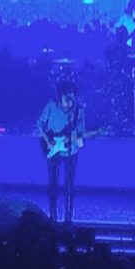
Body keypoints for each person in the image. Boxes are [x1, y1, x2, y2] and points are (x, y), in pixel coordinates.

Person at [37, 81, 86, 224]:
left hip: (70, 150)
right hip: (53, 149)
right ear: (60, 95)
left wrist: (78, 139)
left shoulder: (78, 110)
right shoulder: (52, 105)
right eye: (67, 96)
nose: (69, 100)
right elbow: (40, 123)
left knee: (69, 185)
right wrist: (47, 140)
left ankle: (68, 219)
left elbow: (81, 131)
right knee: (53, 183)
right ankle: (52, 217)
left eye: (72, 96)